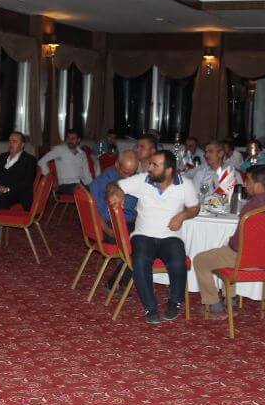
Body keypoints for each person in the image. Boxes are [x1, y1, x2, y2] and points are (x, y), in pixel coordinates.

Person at [107, 150, 200, 324]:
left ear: (169, 170)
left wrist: (182, 216)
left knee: (178, 261)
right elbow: (113, 185)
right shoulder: (143, 180)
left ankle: (175, 302)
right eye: (150, 164)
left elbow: (195, 208)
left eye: (154, 165)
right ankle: (150, 307)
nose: (149, 168)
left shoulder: (186, 185)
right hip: (143, 235)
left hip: (171, 236)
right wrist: (117, 192)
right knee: (140, 260)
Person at [192, 166, 265, 318]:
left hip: (249, 261)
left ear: (257, 185)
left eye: (248, 181)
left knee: (201, 260)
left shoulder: (252, 206)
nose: (244, 184)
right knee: (226, 252)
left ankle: (215, 306)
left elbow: (236, 246)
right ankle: (230, 299)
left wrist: (229, 244)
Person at [90, 150, 139, 292]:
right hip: (107, 226)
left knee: (149, 237)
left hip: (127, 223)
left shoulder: (135, 179)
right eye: (125, 172)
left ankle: (121, 281)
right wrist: (108, 231)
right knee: (141, 244)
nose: (129, 177)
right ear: (117, 164)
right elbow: (93, 212)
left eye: (132, 173)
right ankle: (119, 283)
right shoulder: (101, 182)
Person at [0, 131, 38, 211]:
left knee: (2, 197)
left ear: (22, 145)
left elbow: (27, 182)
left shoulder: (29, 160)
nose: (11, 144)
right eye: (10, 141)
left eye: (14, 142)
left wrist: (7, 189)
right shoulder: (3, 156)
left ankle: (2, 218)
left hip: (19, 193)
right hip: (0, 189)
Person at [38, 130, 93, 194]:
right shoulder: (60, 150)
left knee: (96, 187)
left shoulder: (82, 154)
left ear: (78, 140)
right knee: (81, 189)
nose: (70, 141)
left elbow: (86, 173)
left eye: (73, 138)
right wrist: (51, 180)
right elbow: (41, 162)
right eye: (68, 138)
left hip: (80, 184)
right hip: (65, 185)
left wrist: (91, 184)